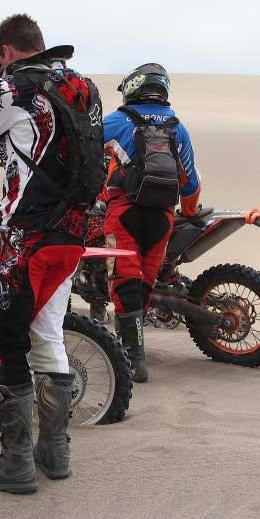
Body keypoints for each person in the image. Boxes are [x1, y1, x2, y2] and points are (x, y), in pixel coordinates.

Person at [0, 12, 96, 494]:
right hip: (71, 238)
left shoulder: (13, 90)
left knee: (1, 342)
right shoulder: (83, 86)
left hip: (24, 241)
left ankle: (16, 464)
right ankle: (55, 452)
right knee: (46, 334)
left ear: (6, 51)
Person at [102, 63, 201, 383]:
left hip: (125, 213)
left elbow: (82, 156)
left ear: (133, 88)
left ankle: (133, 360)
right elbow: (191, 183)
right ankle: (133, 348)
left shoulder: (117, 122)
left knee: (124, 280)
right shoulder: (178, 128)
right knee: (144, 282)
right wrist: (188, 210)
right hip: (163, 217)